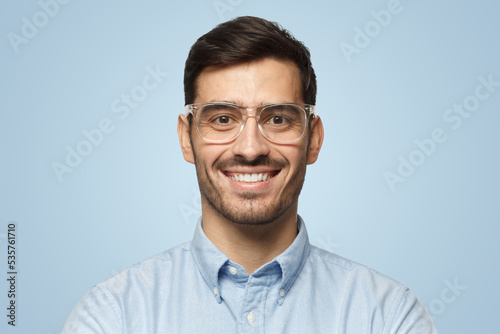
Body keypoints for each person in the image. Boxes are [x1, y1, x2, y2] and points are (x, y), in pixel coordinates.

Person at [63, 16, 437, 333]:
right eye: (223, 119)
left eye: (278, 119)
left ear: (313, 139)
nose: (251, 148)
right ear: (186, 138)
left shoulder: (387, 317)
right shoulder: (114, 316)